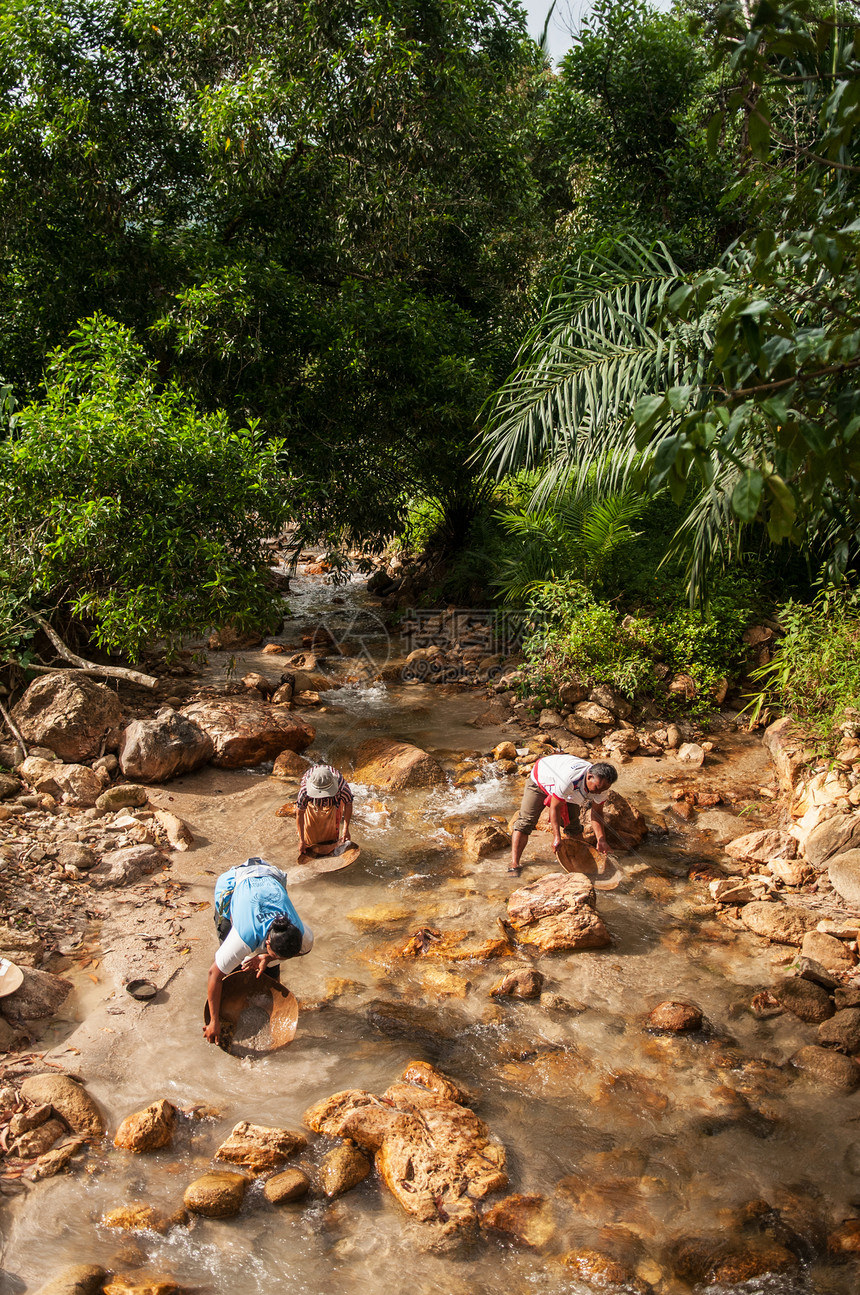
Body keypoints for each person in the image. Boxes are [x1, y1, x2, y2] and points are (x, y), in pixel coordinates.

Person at [204, 856, 313, 1045]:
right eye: (272, 954)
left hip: (270, 878)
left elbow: (299, 951)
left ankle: (261, 998)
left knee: (268, 971)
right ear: (268, 943)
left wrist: (266, 958)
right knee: (232, 963)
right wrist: (214, 1021)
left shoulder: (301, 933)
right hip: (235, 885)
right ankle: (233, 1005)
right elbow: (214, 973)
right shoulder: (246, 934)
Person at [509, 756, 618, 875]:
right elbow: (555, 807)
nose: (599, 792)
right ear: (589, 777)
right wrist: (557, 837)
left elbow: (596, 814)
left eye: (603, 790)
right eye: (597, 788)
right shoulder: (570, 779)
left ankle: (584, 866)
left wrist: (601, 840)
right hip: (541, 779)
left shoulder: (602, 787)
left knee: (573, 827)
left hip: (567, 788)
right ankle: (514, 864)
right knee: (525, 823)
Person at [296, 763, 353, 858]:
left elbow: (348, 803)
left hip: (334, 801)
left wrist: (346, 830)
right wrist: (301, 840)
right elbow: (300, 814)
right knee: (310, 835)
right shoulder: (304, 790)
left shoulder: (341, 786)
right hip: (313, 803)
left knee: (333, 833)